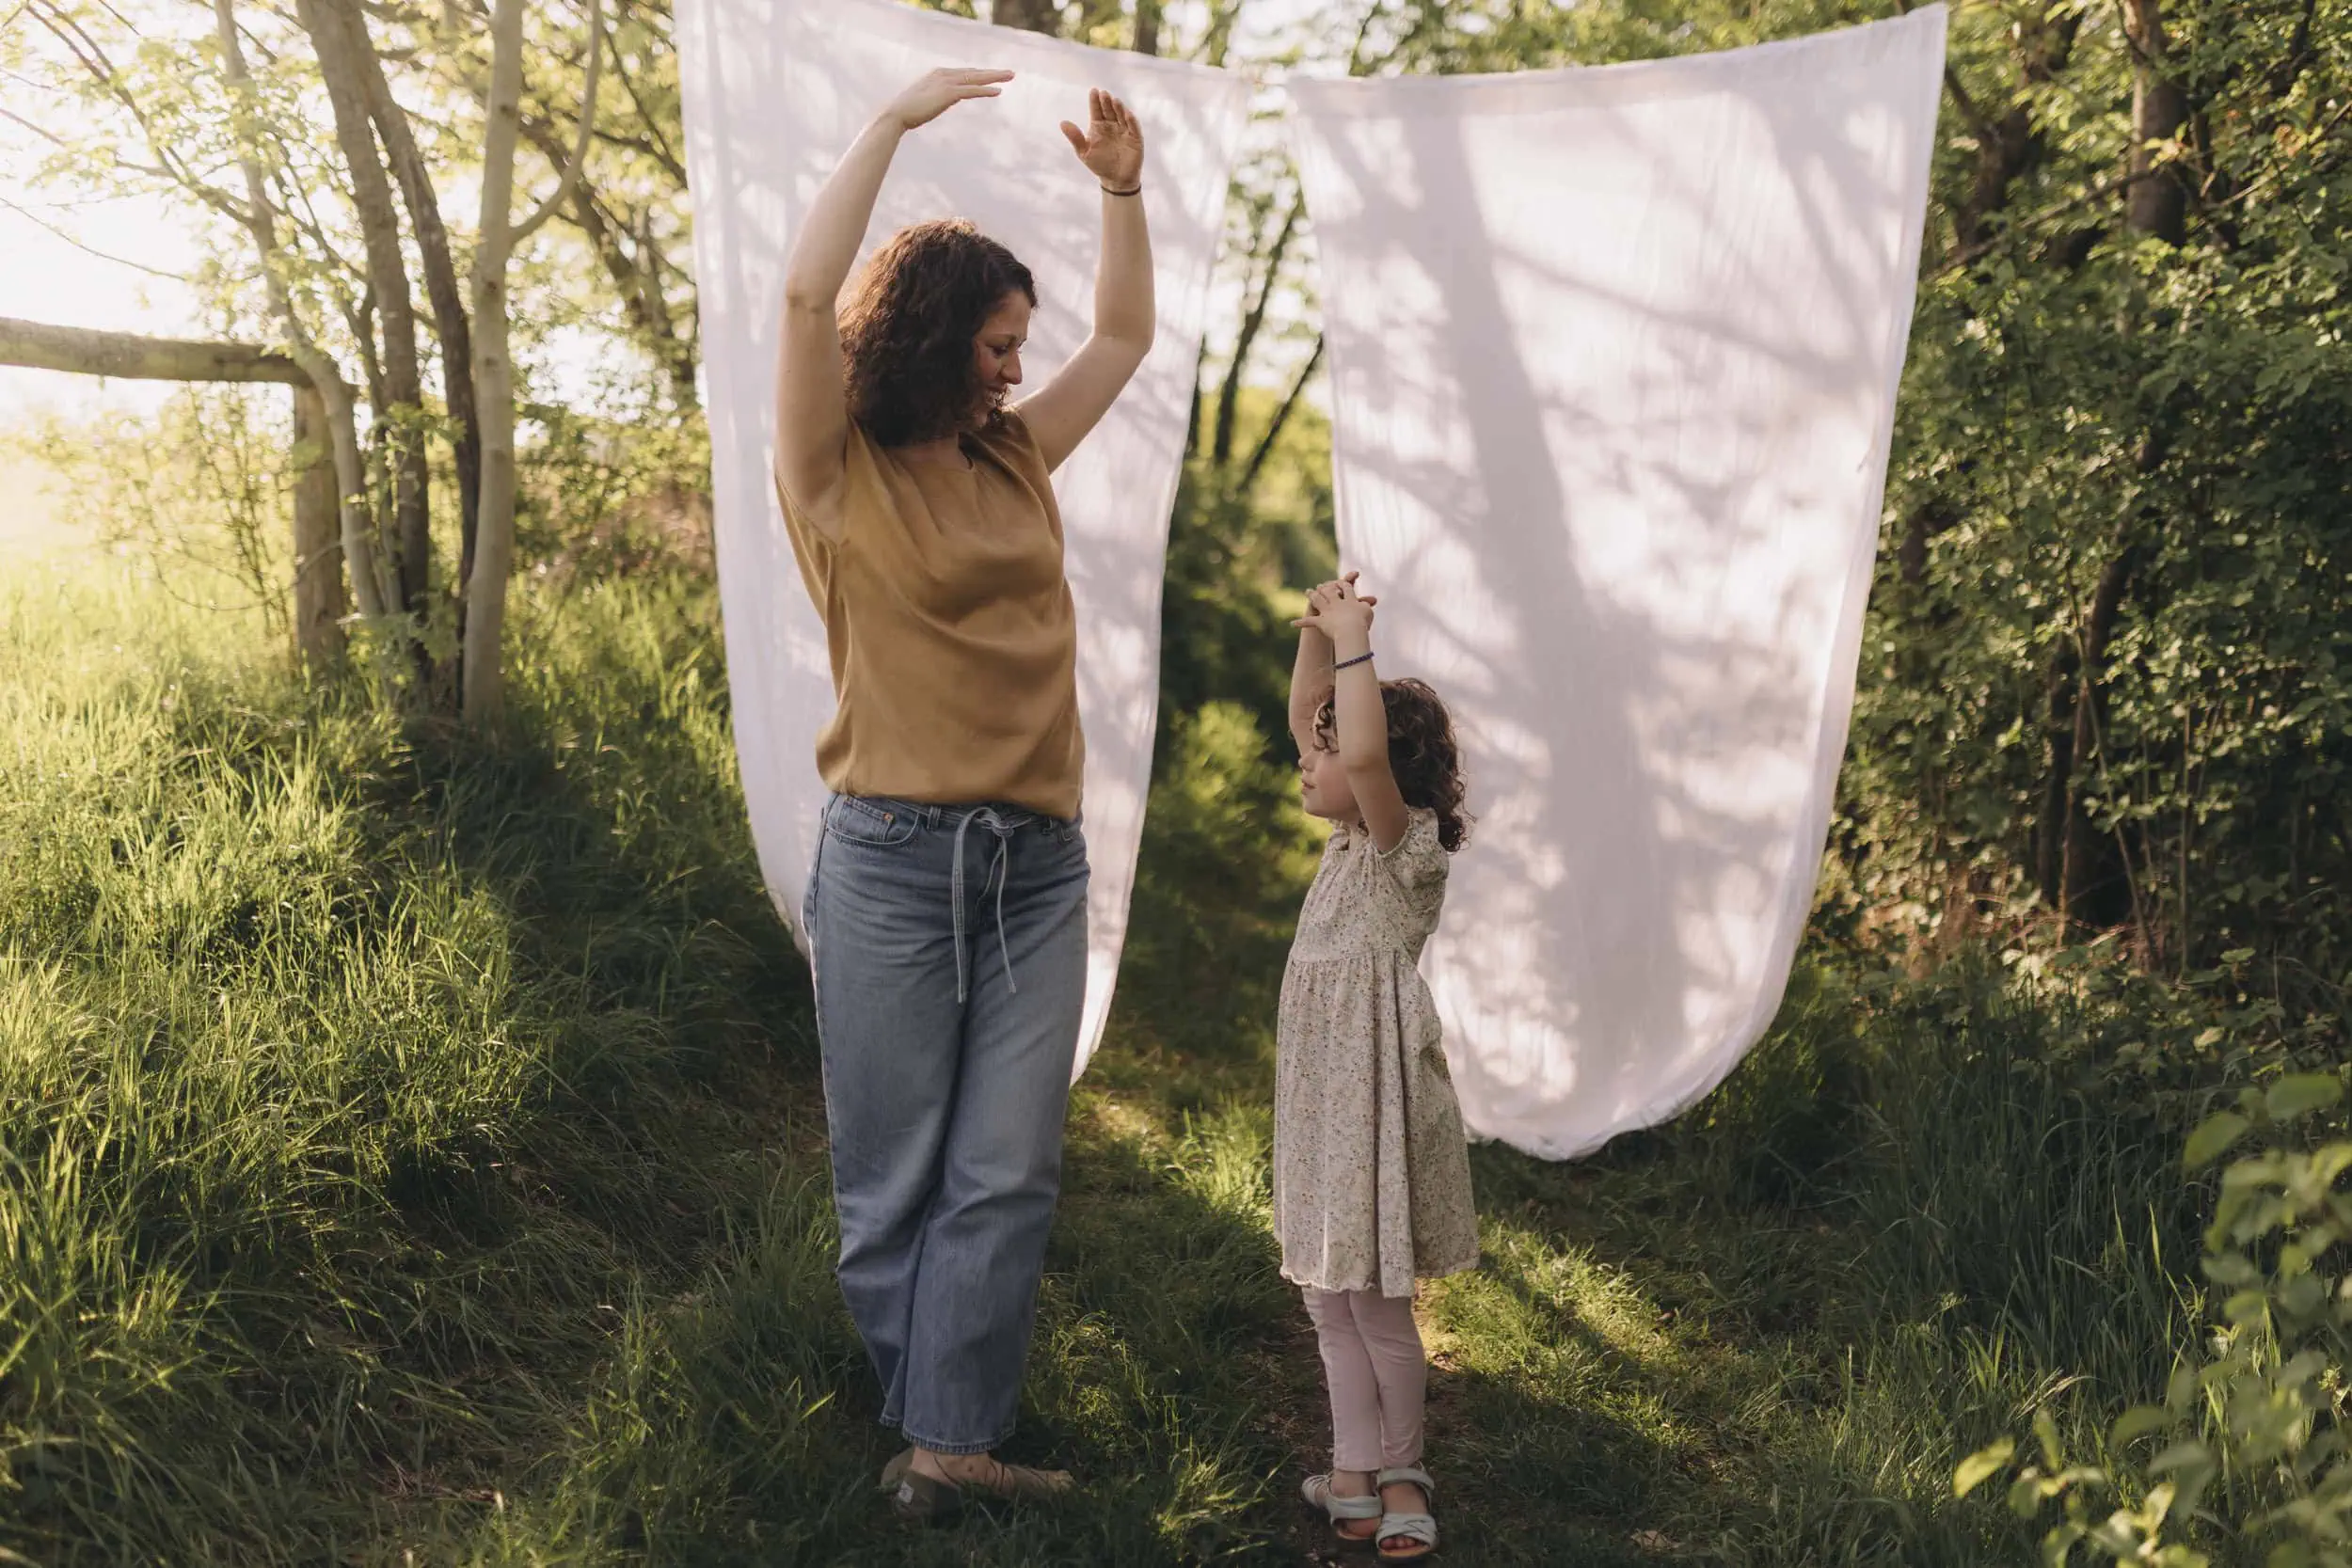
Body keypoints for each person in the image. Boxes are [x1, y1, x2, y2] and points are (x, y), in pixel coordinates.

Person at [770, 65, 1152, 1523]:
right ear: (935, 335)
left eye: (1018, 347)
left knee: (1010, 1167)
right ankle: (932, 1416)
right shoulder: (834, 471)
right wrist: (886, 129)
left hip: (1036, 863)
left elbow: (1125, 334)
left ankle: (948, 1441)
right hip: (893, 858)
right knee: (894, 1175)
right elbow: (808, 307)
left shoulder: (1018, 459)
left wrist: (1123, 189)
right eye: (996, 345)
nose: (1014, 367)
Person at [1281, 572, 1481, 1561]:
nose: (1304, 766)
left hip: (1375, 1106)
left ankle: (1404, 1469)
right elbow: (1311, 718)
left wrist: (1356, 639)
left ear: (1378, 775)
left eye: (1321, 757)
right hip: (1323, 1104)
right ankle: (1353, 1465)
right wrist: (1320, 634)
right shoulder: (1341, 844)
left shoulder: (1402, 849)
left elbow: (1354, 747)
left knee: (1381, 1303)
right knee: (1329, 1293)